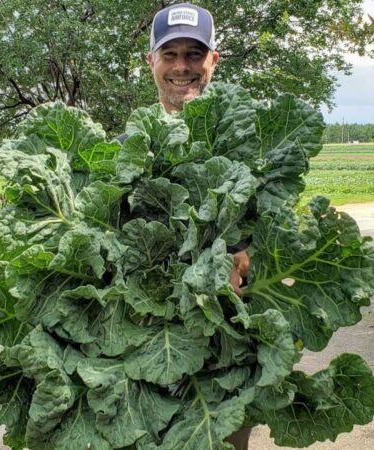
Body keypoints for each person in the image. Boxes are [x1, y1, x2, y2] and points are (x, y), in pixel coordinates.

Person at [147, 3, 252, 449]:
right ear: (151, 60)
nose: (181, 67)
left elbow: (277, 227)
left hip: (224, 351)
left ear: (214, 59)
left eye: (194, 54)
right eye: (170, 54)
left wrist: (243, 255)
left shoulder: (250, 137)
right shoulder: (129, 144)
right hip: (140, 351)